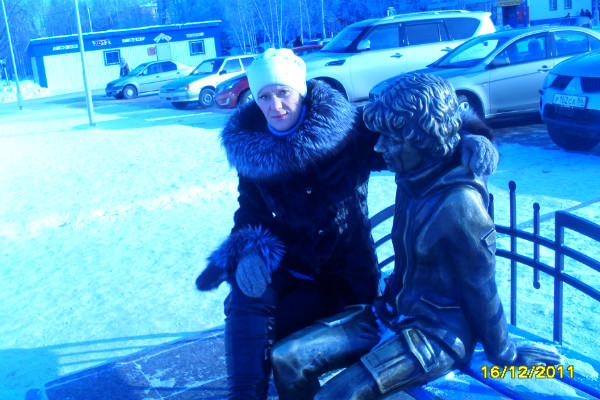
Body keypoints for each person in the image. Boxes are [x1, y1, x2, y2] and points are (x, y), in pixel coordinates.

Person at [195, 50, 498, 399]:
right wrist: (248, 251)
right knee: (245, 298)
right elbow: (249, 212)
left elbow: (417, 132)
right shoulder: (253, 149)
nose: (275, 105)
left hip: (343, 279)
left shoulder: (347, 131)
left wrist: (468, 136)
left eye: (283, 92)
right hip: (291, 269)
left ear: (300, 90)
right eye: (264, 96)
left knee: (265, 337)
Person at [270, 73, 560, 400]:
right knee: (286, 358)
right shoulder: (412, 177)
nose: (379, 146)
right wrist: (467, 137)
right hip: (392, 311)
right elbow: (445, 141)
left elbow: (480, 287)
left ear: (422, 140)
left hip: (436, 333)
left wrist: (505, 354)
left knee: (334, 398)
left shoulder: (459, 205)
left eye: (391, 139)